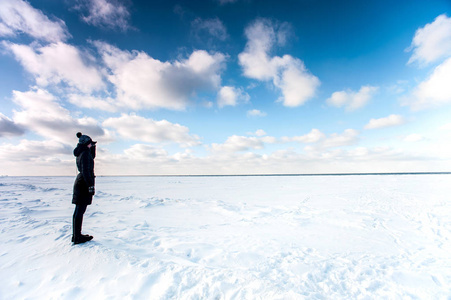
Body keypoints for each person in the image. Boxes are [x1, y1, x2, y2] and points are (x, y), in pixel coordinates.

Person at [72, 132, 96, 245]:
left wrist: (93, 147)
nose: (91, 145)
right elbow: (86, 171)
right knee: (80, 210)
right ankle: (77, 237)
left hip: (80, 182)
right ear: (87, 143)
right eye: (90, 143)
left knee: (78, 210)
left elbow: (92, 157)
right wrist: (90, 185)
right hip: (83, 184)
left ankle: (76, 235)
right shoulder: (85, 153)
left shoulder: (82, 152)